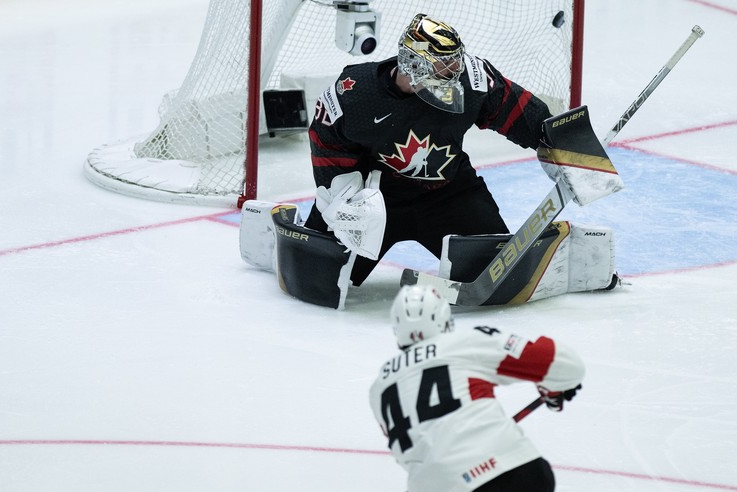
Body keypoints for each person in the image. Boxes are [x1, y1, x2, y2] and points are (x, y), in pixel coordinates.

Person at [240, 13, 622, 309]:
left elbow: (523, 115)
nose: (454, 73)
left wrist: (568, 149)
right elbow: (324, 134)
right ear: (414, 65)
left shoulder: (472, 80)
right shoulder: (357, 94)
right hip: (377, 197)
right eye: (443, 67)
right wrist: (340, 193)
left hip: (449, 192)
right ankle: (278, 239)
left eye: (454, 64)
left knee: (493, 270)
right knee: (319, 277)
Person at [369, 284, 584, 492]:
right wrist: (552, 388)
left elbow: (415, 447)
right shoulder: (465, 342)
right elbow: (566, 365)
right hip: (525, 472)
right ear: (445, 319)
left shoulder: (378, 389)